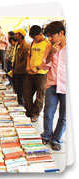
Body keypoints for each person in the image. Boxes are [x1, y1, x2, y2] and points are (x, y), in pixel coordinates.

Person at [40, 21, 66, 151]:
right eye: (48, 36)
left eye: (51, 36)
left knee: (64, 115)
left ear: (61, 33)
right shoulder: (49, 47)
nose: (49, 39)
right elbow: (43, 66)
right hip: (51, 84)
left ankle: (56, 139)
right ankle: (47, 135)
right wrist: (52, 53)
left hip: (66, 86)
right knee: (48, 112)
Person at [23, 25, 51, 122]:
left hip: (41, 74)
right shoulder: (33, 43)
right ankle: (29, 112)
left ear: (40, 34)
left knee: (40, 95)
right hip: (30, 73)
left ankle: (35, 114)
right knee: (26, 93)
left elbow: (49, 60)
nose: (34, 39)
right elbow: (29, 55)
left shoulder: (47, 44)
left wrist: (38, 68)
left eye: (35, 37)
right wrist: (28, 66)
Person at [12, 28, 30, 106]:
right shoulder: (17, 44)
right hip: (17, 71)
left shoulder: (25, 46)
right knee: (17, 89)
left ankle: (22, 104)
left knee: (22, 89)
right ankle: (20, 102)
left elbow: (26, 60)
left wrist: (17, 67)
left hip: (22, 72)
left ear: (20, 35)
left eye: (17, 34)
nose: (15, 35)